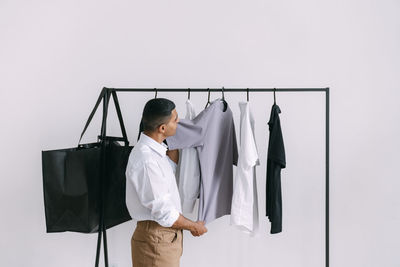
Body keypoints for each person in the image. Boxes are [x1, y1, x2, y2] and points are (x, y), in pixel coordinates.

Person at [125, 98, 208, 267]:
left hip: (162, 238)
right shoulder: (147, 160)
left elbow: (170, 168)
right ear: (162, 128)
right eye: (176, 120)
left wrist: (175, 141)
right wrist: (194, 226)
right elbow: (164, 212)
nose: (179, 123)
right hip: (157, 238)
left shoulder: (155, 152)